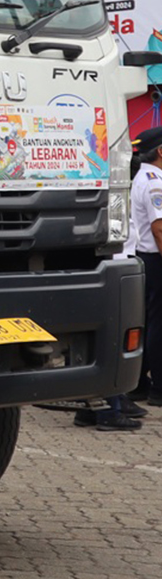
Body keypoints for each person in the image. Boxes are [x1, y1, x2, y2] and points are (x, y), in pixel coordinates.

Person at [127, 126, 162, 412]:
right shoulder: (154, 182)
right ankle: (159, 387)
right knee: (158, 323)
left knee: (150, 320)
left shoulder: (144, 177)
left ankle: (139, 382)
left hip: (147, 257)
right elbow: (159, 229)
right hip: (155, 258)